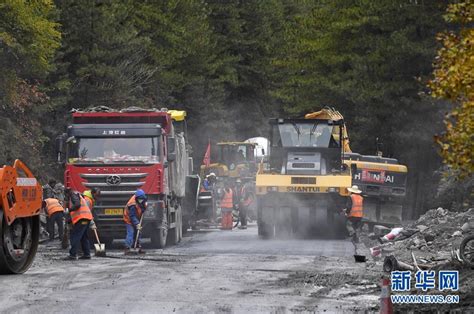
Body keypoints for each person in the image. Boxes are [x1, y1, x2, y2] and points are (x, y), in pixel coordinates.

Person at [64, 188, 94, 260]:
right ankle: (87, 254)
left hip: (81, 219)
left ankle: (72, 255)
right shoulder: (79, 195)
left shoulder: (73, 195)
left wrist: (69, 210)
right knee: (84, 237)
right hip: (87, 218)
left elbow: (77, 205)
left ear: (67, 193)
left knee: (75, 236)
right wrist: (69, 221)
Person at [123, 189, 148, 254]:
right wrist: (137, 224)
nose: (141, 200)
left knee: (138, 232)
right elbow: (132, 216)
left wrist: (143, 209)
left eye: (142, 199)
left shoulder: (143, 200)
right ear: (137, 198)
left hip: (137, 218)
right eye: (139, 199)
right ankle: (127, 248)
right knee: (130, 233)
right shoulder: (132, 205)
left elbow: (143, 208)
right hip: (128, 219)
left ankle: (138, 247)